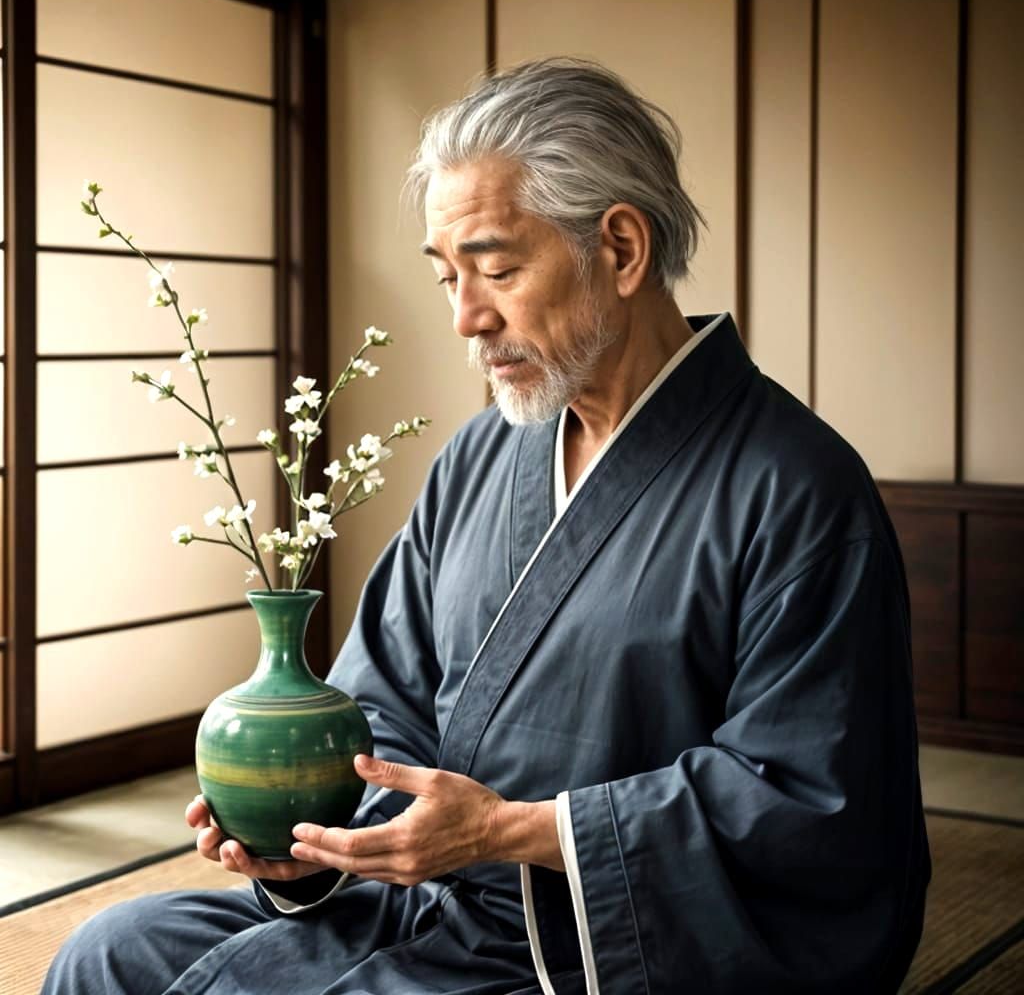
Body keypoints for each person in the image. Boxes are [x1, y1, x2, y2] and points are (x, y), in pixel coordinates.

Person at [44, 58, 930, 995]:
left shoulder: (796, 488)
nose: (467, 318)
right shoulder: (480, 460)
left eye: (498, 269)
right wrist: (314, 834)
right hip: (424, 901)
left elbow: (809, 805)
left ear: (621, 250)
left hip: (609, 950)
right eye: (446, 278)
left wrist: (511, 830)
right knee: (108, 952)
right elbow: (381, 698)